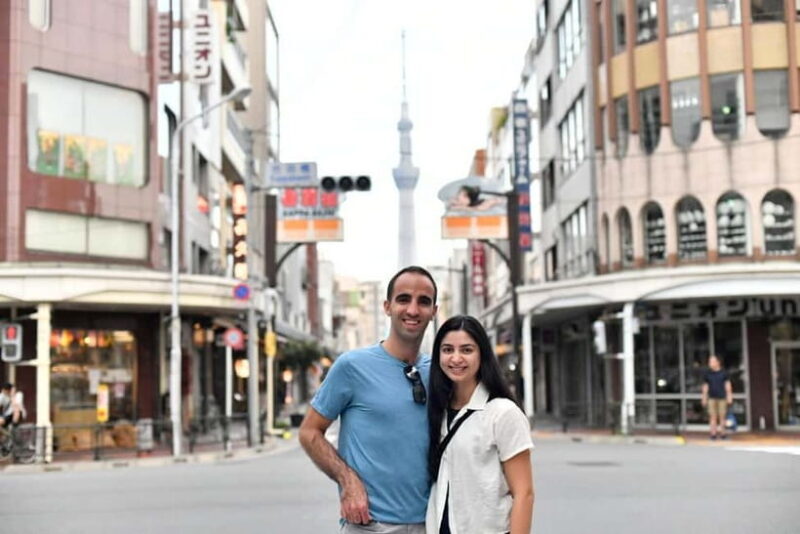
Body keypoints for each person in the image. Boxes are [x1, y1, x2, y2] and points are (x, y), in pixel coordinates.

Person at [299, 266, 438, 533]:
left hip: (430, 523)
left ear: (434, 311)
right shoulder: (351, 366)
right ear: (387, 307)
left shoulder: (440, 373)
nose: (413, 309)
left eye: (424, 301)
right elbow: (309, 432)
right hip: (369, 525)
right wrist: (347, 479)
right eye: (403, 299)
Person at [426, 315, 534, 534]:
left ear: (482, 354)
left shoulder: (502, 413)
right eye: (447, 350)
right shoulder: (437, 410)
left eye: (466, 350)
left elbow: (524, 493)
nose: (456, 358)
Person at [701, 354, 733, 440]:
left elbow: (728, 385)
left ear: (718, 362)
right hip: (711, 398)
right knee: (712, 416)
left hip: (722, 397)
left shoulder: (724, 373)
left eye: (712, 361)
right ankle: (713, 434)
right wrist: (704, 397)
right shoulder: (708, 374)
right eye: (710, 361)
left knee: (722, 416)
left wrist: (729, 396)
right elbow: (705, 386)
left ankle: (723, 434)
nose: (710, 363)